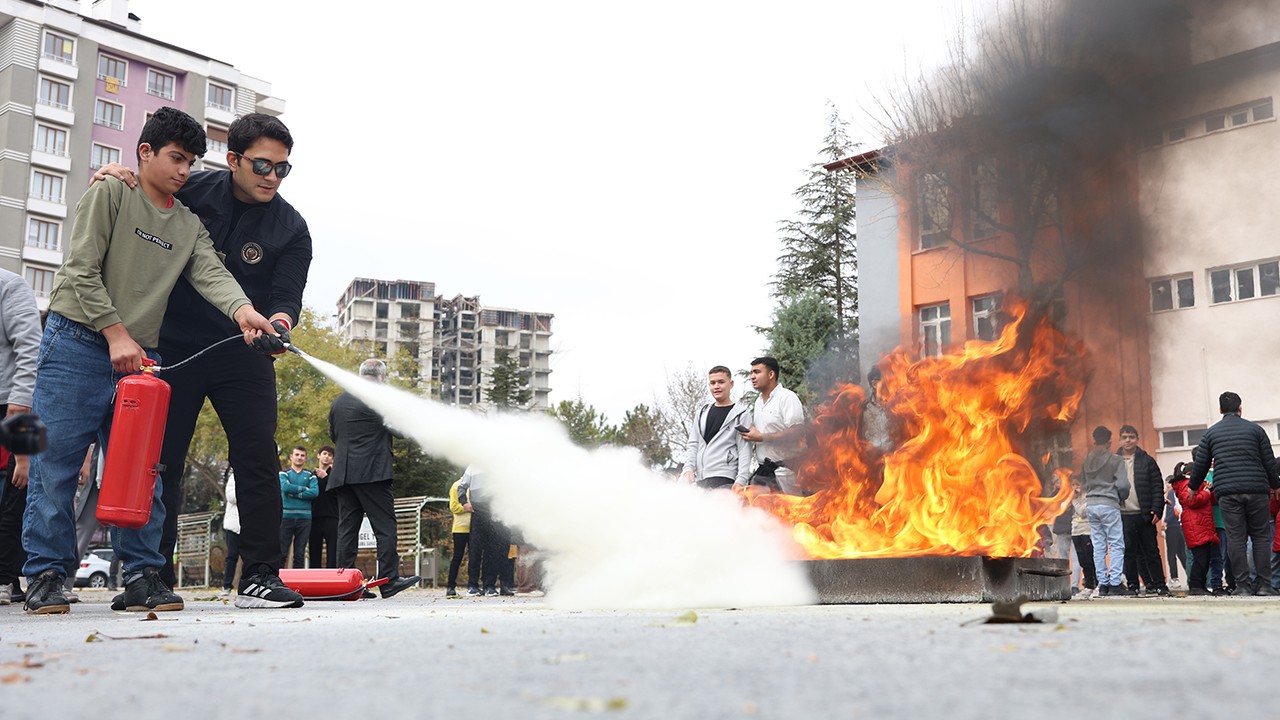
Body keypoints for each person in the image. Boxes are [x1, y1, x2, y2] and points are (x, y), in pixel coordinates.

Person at [20, 107, 279, 614]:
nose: (184, 171)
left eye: (191, 163)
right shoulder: (111, 192)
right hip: (77, 341)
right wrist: (115, 333)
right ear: (144, 153)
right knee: (58, 467)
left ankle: (141, 575)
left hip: (140, 361)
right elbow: (79, 270)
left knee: (141, 471)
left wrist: (246, 313)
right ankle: (46, 576)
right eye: (175, 159)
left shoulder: (186, 223)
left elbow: (212, 274)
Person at [94, 112, 312, 610]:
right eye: (262, 165)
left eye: (283, 169)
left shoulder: (292, 228)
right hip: (174, 346)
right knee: (161, 460)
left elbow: (286, 296)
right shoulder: (192, 193)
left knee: (257, 457)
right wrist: (117, 176)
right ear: (233, 159)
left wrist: (278, 326)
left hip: (246, 351)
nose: (272, 178)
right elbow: (140, 202)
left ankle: (258, 574)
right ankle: (151, 573)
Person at [328, 359, 420, 598]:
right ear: (382, 377)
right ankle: (389, 581)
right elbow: (402, 430)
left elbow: (334, 434)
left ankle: (346, 586)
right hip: (372, 473)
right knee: (385, 527)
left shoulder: (339, 401)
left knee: (347, 530)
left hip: (343, 475)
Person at [1188, 391, 1280, 596]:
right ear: (1240, 408)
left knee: (1236, 538)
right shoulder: (1256, 430)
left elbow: (1201, 463)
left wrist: (1193, 487)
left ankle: (1242, 586)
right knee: (1261, 537)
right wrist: (1276, 486)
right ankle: (1265, 585)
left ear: (1220, 410)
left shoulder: (1211, 433)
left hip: (1228, 493)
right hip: (1257, 490)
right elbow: (1268, 460)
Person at [0, 267, 40, 606]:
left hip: (11, 406)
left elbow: (30, 348)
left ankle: (5, 578)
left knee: (17, 492)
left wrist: (20, 405)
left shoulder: (10, 285)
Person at [1115, 425, 1169, 596]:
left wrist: (1157, 510)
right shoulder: (1113, 462)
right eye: (1124, 437)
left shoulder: (1147, 461)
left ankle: (1160, 584)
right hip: (1123, 515)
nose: (1128, 440)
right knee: (1128, 552)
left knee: (1152, 551)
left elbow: (1157, 486)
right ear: (1120, 440)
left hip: (1145, 515)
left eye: (1131, 436)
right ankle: (1132, 585)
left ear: (1137, 439)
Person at [740, 356, 806, 495]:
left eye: (757, 372)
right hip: (764, 471)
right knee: (756, 512)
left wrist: (762, 437)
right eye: (751, 372)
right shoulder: (758, 402)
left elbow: (797, 431)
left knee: (791, 514)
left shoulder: (787, 397)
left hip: (786, 471)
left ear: (771, 374)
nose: (752, 376)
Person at [680, 366, 752, 490]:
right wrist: (688, 469)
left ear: (731, 384)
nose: (716, 386)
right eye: (712, 383)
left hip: (725, 478)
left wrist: (741, 481)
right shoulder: (702, 413)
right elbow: (693, 444)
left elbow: (744, 449)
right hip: (701, 479)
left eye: (721, 382)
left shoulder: (741, 414)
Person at [1081, 426, 1129, 597]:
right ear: (1110, 442)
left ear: (1094, 440)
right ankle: (1115, 583)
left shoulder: (1086, 460)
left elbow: (1083, 483)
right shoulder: (1116, 460)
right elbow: (1123, 485)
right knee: (1116, 543)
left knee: (1099, 545)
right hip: (1109, 503)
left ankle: (1102, 584)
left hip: (1091, 504)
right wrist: (1121, 496)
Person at [457, 465, 512, 596]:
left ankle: (489, 586)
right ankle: (472, 586)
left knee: (492, 551)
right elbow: (461, 487)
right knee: (475, 550)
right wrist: (464, 502)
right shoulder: (472, 468)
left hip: (495, 513)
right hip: (478, 512)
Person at [1172, 461, 1218, 595]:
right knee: (1200, 558)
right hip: (1195, 524)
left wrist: (1210, 490)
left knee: (1205, 557)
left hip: (1201, 523)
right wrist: (1206, 491)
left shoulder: (1196, 484)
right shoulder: (1186, 484)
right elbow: (1191, 501)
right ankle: (1196, 586)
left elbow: (1208, 499)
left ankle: (1201, 585)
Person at [278, 446, 317, 569]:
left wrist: (294, 492)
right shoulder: (283, 473)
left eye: (302, 455)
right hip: (286, 517)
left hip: (305, 518)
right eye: (297, 455)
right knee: (282, 552)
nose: (299, 457)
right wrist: (305, 489)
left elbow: (314, 492)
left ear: (305, 458)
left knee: (299, 554)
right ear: (291, 456)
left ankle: (297, 584)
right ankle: (279, 580)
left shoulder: (311, 475)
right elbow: (285, 488)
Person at [307, 445, 338, 568]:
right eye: (324, 453)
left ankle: (334, 579)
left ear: (333, 459)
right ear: (318, 455)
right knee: (314, 550)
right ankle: (314, 580)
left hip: (332, 516)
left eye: (330, 455)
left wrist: (326, 478)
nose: (327, 457)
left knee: (333, 550)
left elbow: (338, 493)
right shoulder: (311, 475)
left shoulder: (335, 475)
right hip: (314, 517)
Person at [1068, 477, 1097, 596]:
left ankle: (1096, 583)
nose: (1075, 488)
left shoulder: (1088, 497)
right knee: (1082, 560)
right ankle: (1088, 585)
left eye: (1077, 484)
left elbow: (1082, 512)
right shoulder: (1072, 498)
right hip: (1075, 531)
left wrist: (1074, 501)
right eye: (1073, 485)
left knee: (1090, 557)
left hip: (1087, 530)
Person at [445, 474, 471, 598]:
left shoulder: (474, 487)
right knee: (457, 557)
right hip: (460, 528)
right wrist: (467, 508)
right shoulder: (456, 486)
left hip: (474, 528)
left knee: (475, 558)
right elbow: (453, 507)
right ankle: (450, 586)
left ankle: (473, 586)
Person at [221, 470, 240, 599]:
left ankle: (246, 586)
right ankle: (227, 585)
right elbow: (231, 497)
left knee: (250, 557)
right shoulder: (234, 477)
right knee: (232, 556)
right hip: (234, 524)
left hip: (250, 525)